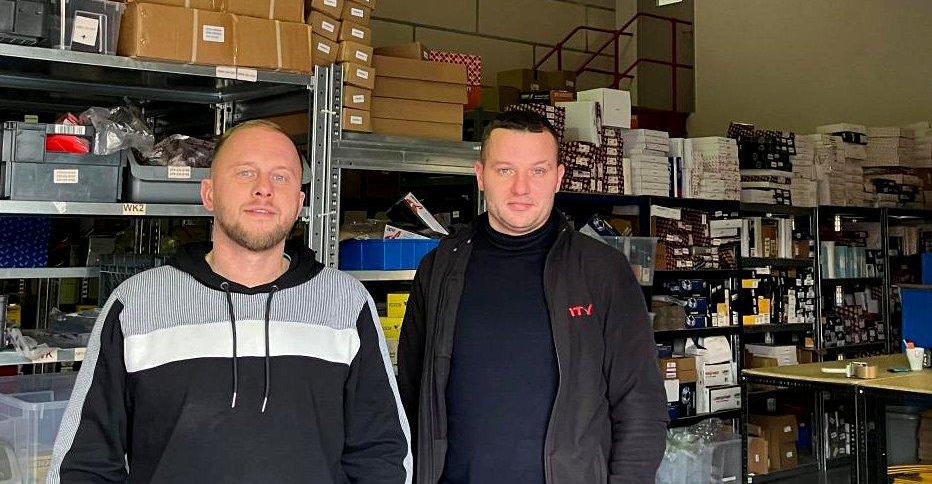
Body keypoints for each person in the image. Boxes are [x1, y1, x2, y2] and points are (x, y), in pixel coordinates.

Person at [48, 120, 411, 484]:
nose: (264, 190)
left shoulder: (346, 304)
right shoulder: (139, 303)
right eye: (245, 173)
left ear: (300, 203)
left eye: (281, 177)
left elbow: (383, 453)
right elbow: (86, 462)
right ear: (209, 194)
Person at [397, 110, 669, 484]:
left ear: (558, 177)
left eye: (538, 171)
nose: (521, 188)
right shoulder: (440, 268)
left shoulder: (602, 271)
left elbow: (640, 403)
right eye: (505, 170)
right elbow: (410, 392)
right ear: (481, 176)